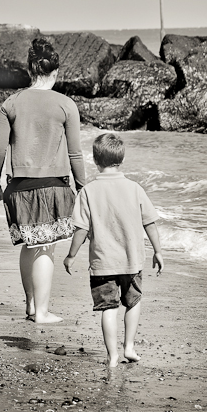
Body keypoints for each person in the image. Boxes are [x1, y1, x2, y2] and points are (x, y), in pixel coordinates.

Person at [0, 37, 86, 324]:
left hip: (18, 187)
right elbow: (75, 153)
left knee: (29, 244)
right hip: (52, 186)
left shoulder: (11, 103)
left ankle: (31, 305)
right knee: (46, 246)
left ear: (30, 70)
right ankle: (42, 312)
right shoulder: (66, 104)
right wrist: (82, 187)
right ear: (55, 72)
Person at [63, 133, 164, 367]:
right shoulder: (135, 188)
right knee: (133, 302)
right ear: (122, 159)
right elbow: (150, 222)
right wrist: (158, 251)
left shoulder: (88, 191)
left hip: (103, 263)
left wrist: (71, 255)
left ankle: (112, 356)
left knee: (108, 309)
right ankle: (129, 346)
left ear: (95, 160)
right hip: (132, 261)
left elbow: (81, 228)